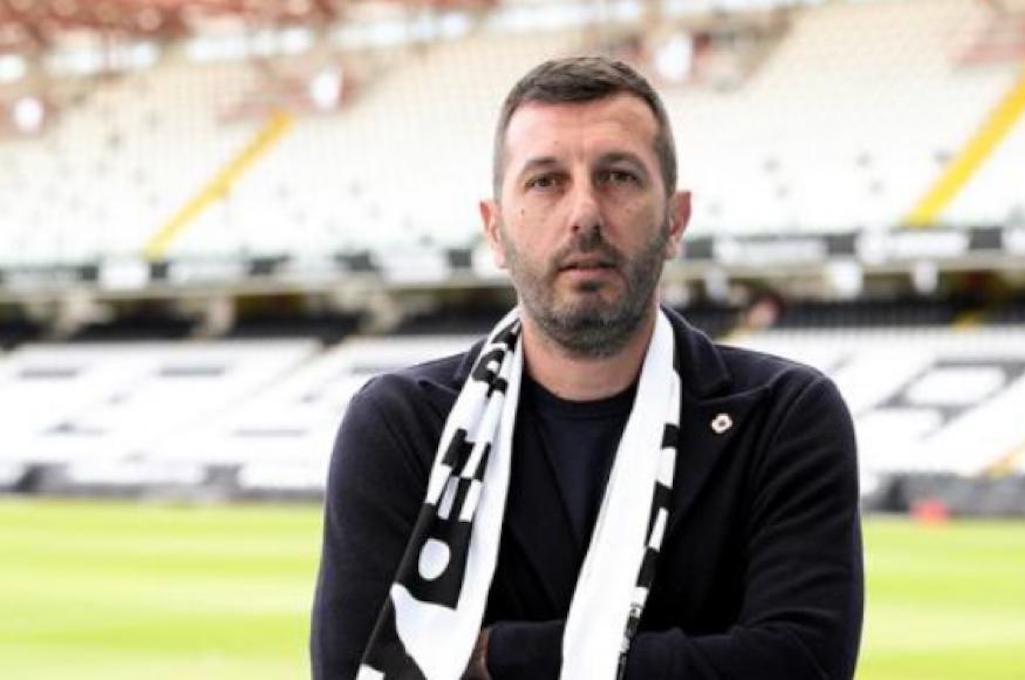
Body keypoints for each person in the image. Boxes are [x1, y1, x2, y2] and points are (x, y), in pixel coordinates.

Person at [311, 56, 862, 680]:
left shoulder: (783, 417)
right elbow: (354, 667)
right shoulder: (402, 425)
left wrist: (495, 655)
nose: (585, 214)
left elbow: (800, 665)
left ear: (676, 219)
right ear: (495, 230)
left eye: (618, 176)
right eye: (545, 181)